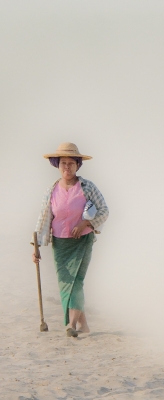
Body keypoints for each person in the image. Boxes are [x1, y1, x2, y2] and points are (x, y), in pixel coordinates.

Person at [33, 142, 109, 337]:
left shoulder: (87, 187)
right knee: (66, 282)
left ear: (78, 165)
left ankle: (71, 324)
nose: (67, 167)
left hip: (83, 241)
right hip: (60, 244)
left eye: (71, 163)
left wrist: (85, 224)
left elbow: (104, 210)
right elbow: (44, 219)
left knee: (77, 282)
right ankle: (83, 326)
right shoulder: (51, 191)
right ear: (57, 165)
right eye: (63, 163)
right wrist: (37, 247)